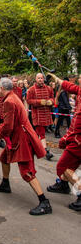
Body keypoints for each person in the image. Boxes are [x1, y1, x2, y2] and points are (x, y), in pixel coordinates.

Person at [0, 77, 52, 216]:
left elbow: (9, 126)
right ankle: (5, 184)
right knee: (4, 158)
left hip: (22, 139)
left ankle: (44, 202)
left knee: (26, 171)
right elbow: (10, 123)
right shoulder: (13, 96)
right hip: (19, 136)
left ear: (2, 88)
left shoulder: (9, 101)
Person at [46, 74, 81, 211]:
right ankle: (63, 184)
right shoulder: (79, 90)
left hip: (78, 142)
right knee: (71, 164)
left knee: (63, 167)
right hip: (76, 140)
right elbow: (70, 86)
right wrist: (56, 78)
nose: (79, 79)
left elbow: (77, 127)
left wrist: (66, 139)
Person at [27, 73, 54, 160]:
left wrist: (51, 101)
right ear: (36, 79)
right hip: (37, 115)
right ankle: (46, 152)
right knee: (41, 133)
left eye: (42, 78)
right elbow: (28, 100)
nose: (40, 80)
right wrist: (39, 102)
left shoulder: (49, 89)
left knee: (39, 133)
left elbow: (53, 99)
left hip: (46, 114)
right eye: (39, 78)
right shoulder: (31, 89)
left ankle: (33, 148)